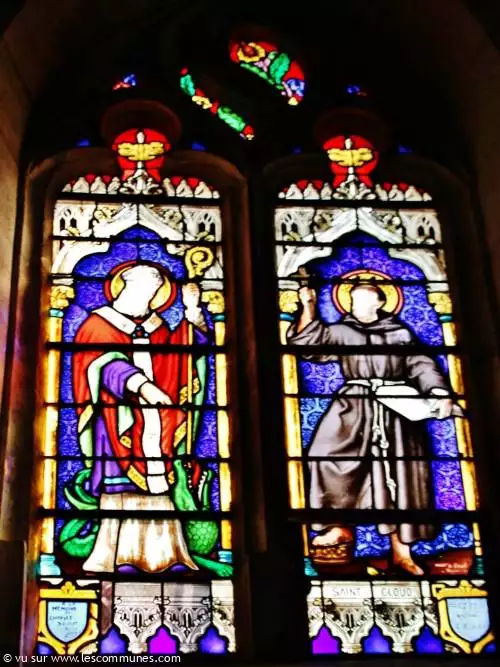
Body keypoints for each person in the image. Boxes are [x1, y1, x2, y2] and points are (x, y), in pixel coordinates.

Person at [288, 280, 454, 575]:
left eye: (362, 300)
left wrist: (438, 391)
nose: (355, 305)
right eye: (352, 300)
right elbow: (307, 343)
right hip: (353, 406)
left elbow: (421, 363)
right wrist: (309, 305)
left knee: (399, 476)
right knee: (324, 456)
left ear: (379, 303)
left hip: (397, 407)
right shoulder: (343, 331)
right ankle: (339, 527)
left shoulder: (400, 334)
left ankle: (402, 552)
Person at [72, 263, 208, 573]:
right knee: (120, 487)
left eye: (153, 292)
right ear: (125, 287)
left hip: (156, 421)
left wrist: (192, 313)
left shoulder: (157, 326)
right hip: (117, 420)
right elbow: (99, 364)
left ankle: (164, 554)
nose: (148, 298)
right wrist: (140, 385)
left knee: (159, 487)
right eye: (143, 290)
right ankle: (114, 556)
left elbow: (178, 358)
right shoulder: (98, 324)